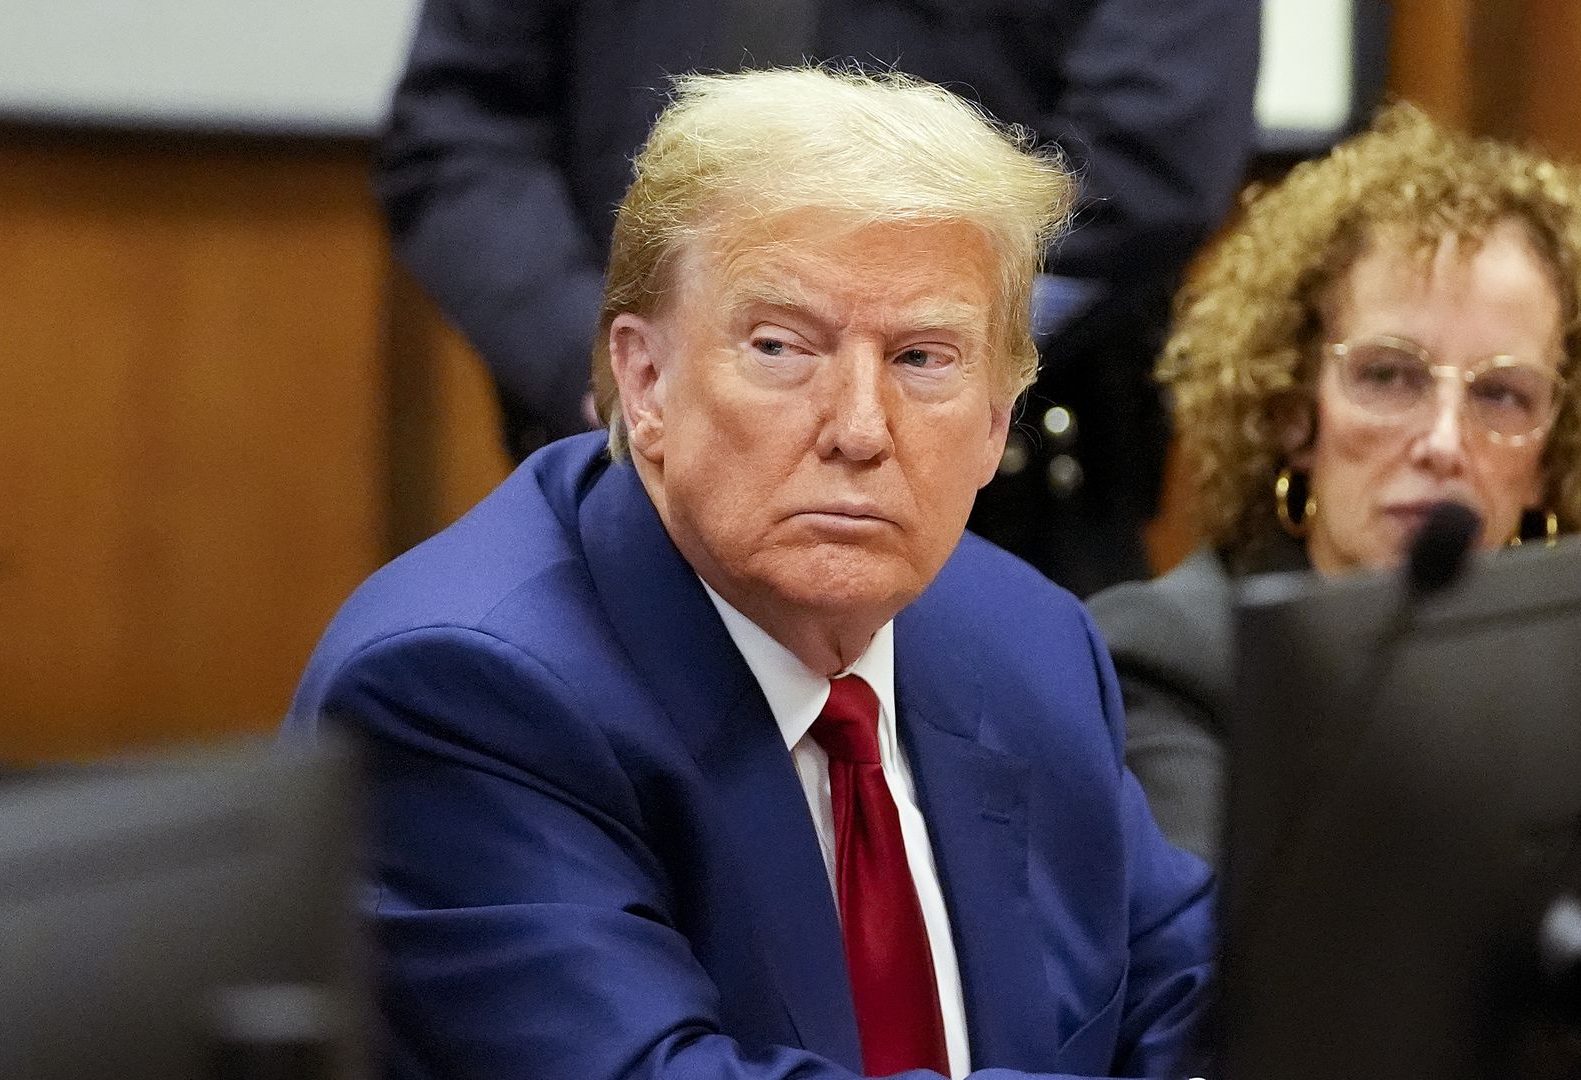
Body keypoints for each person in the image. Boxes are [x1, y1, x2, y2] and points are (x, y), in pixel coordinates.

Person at [290, 67, 1215, 1080]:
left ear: (998, 421)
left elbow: (1202, 1001)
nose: (860, 428)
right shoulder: (466, 693)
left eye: (923, 358)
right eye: (781, 347)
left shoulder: (1027, 640)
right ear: (643, 381)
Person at [1087, 103, 1581, 1079]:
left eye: (1502, 396)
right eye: (1389, 376)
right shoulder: (1169, 656)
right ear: (1296, 408)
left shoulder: (1557, 665)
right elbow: (1288, 1015)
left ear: (1552, 457)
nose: (1441, 441)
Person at [376, 0, 1262, 595]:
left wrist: (924, 354)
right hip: (624, 483)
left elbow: (1153, 147)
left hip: (1009, 514)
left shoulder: (1046, 655)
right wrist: (618, 359)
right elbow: (461, 131)